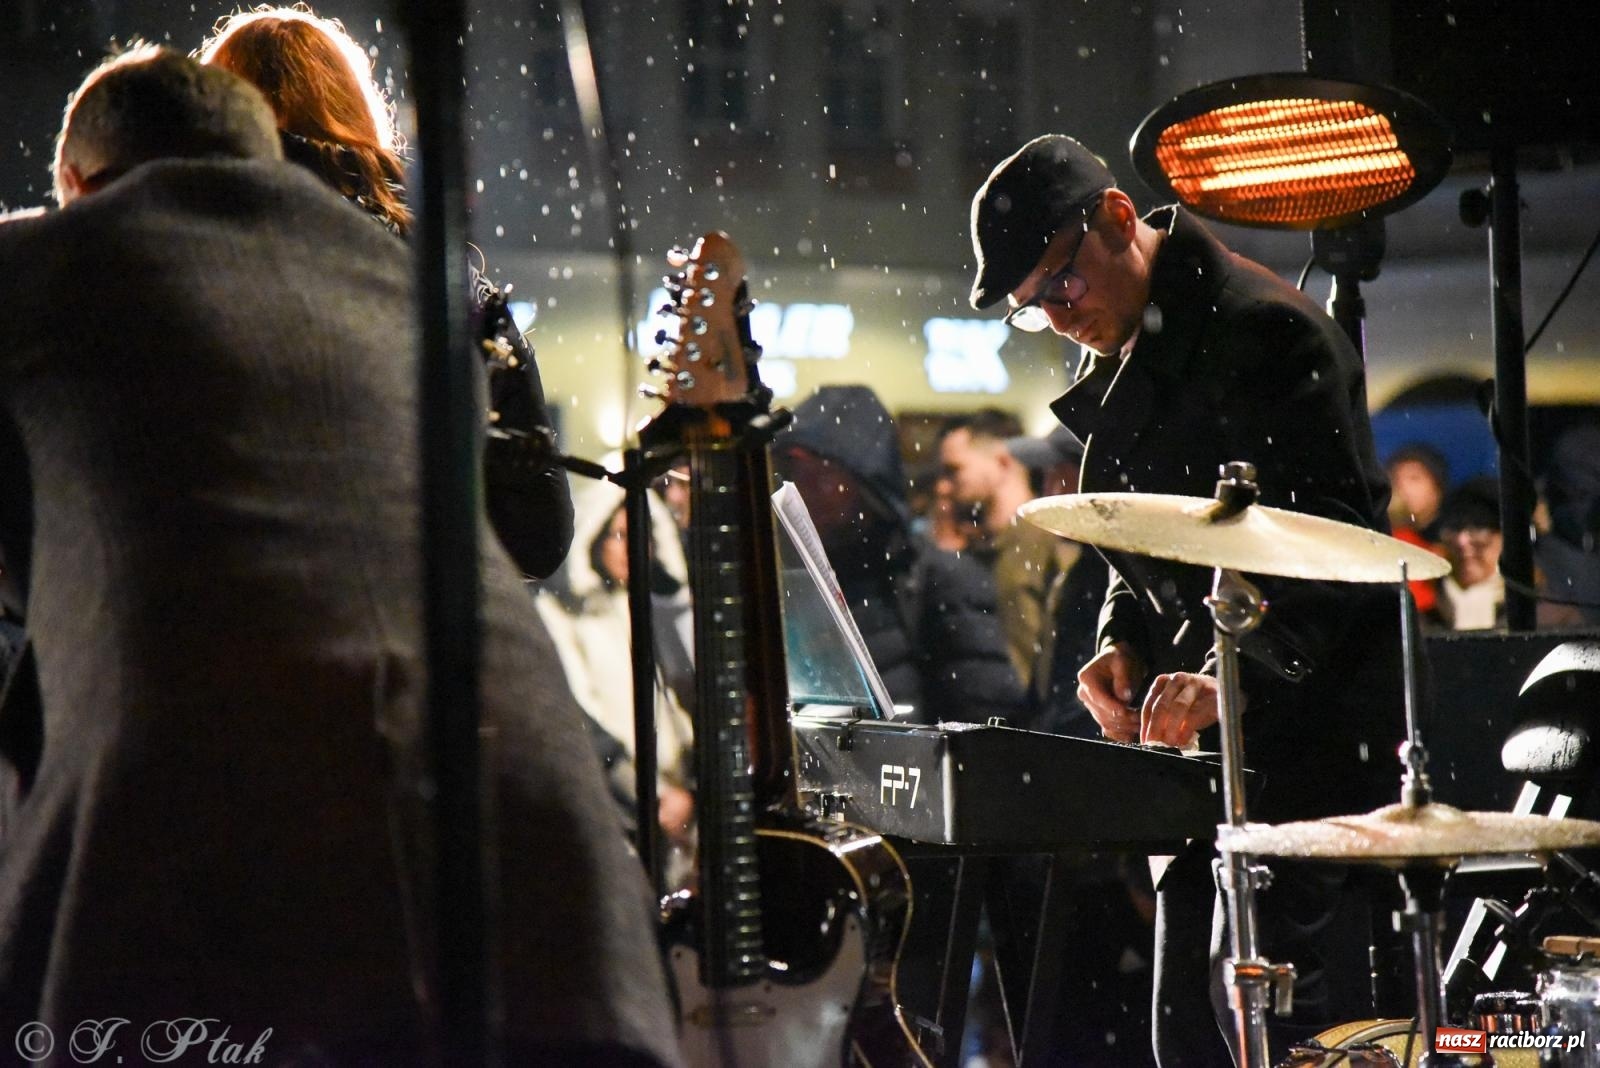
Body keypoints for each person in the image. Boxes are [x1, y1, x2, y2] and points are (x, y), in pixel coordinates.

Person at [0, 47, 678, 1064]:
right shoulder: (429, 292)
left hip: (212, 847)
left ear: (83, 190)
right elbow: (529, 526)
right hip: (536, 848)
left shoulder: (45, 268)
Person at [970, 134, 1402, 1065]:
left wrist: (1232, 675)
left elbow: (1332, 546)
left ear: (1119, 218)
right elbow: (1148, 548)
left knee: (1292, 1038)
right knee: (1187, 1034)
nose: (1060, 314)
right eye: (1035, 310)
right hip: (1219, 759)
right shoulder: (1134, 343)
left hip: (1322, 754)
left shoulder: (1267, 332)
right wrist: (1120, 634)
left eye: (1062, 284)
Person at [198, 5, 573, 579]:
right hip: (406, 634)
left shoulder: (191, 256)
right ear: (358, 112)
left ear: (216, 116)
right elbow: (537, 531)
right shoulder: (447, 283)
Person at [772, 385, 1025, 724]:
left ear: (864, 484)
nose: (806, 487)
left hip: (914, 773)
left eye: (824, 473)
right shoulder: (789, 580)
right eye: (797, 472)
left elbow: (988, 722)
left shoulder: (936, 579)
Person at [536, 476, 697, 888]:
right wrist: (653, 795)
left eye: (642, 536)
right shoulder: (563, 615)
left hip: (681, 806)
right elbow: (582, 722)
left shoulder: (652, 612)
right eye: (621, 535)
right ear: (597, 537)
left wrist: (690, 791)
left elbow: (682, 704)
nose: (632, 548)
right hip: (618, 806)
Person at [1430, 476, 1506, 631]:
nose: (1462, 542)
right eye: (1454, 529)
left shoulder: (1541, 611)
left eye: (1478, 529)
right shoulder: (1425, 610)